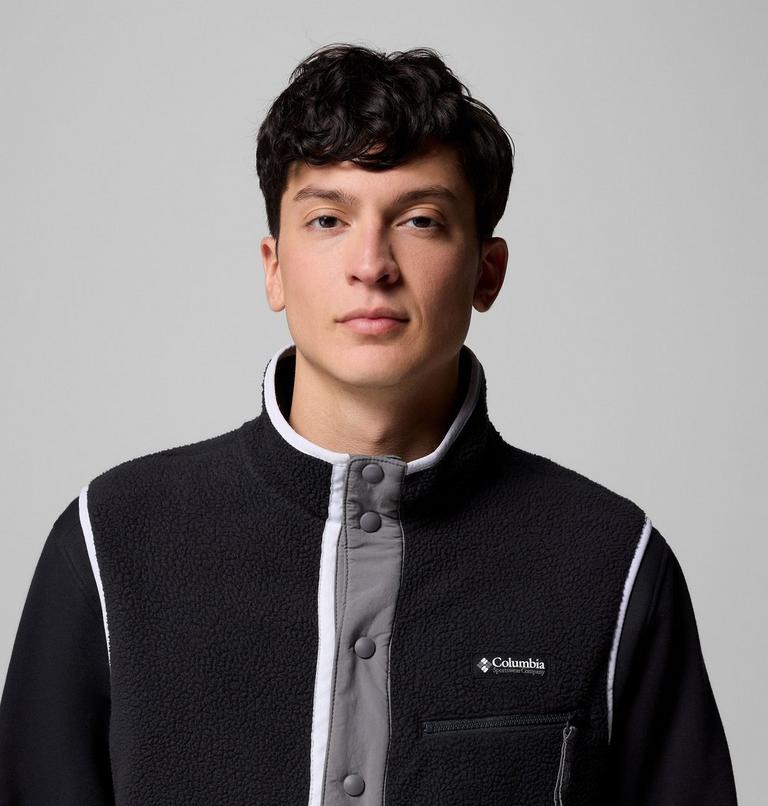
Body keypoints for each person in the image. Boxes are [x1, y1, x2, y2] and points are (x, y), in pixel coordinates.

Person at [0, 43, 738, 805]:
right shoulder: (113, 539)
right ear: (274, 267)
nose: (371, 264)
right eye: (327, 219)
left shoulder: (611, 559)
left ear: (487, 272)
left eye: (420, 221)